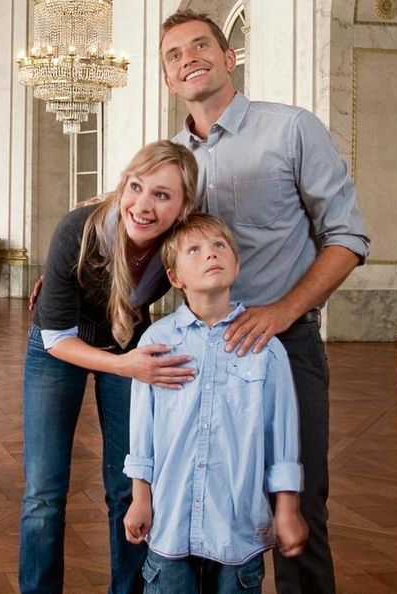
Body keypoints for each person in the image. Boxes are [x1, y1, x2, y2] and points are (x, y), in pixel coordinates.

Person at [161, 10, 371, 593]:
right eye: (174, 55)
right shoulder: (171, 158)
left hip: (285, 343)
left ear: (230, 58)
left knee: (298, 511)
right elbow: (140, 234)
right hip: (199, 353)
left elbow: (348, 237)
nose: (188, 58)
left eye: (200, 45)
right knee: (208, 503)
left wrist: (281, 311)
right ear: (169, 79)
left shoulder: (292, 129)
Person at [20, 140, 200, 594]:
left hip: (128, 342)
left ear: (184, 207)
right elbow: (58, 340)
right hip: (58, 344)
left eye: (162, 195)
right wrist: (126, 367)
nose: (142, 206)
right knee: (44, 492)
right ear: (123, 186)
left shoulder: (182, 245)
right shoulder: (77, 231)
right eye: (136, 187)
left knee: (129, 485)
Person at [123, 214, 307, 593]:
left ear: (236, 266)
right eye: (195, 250)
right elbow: (142, 430)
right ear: (175, 278)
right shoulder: (156, 342)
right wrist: (141, 498)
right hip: (169, 522)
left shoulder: (265, 347)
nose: (211, 255)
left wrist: (286, 508)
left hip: (238, 527)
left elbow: (282, 436)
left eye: (220, 247)